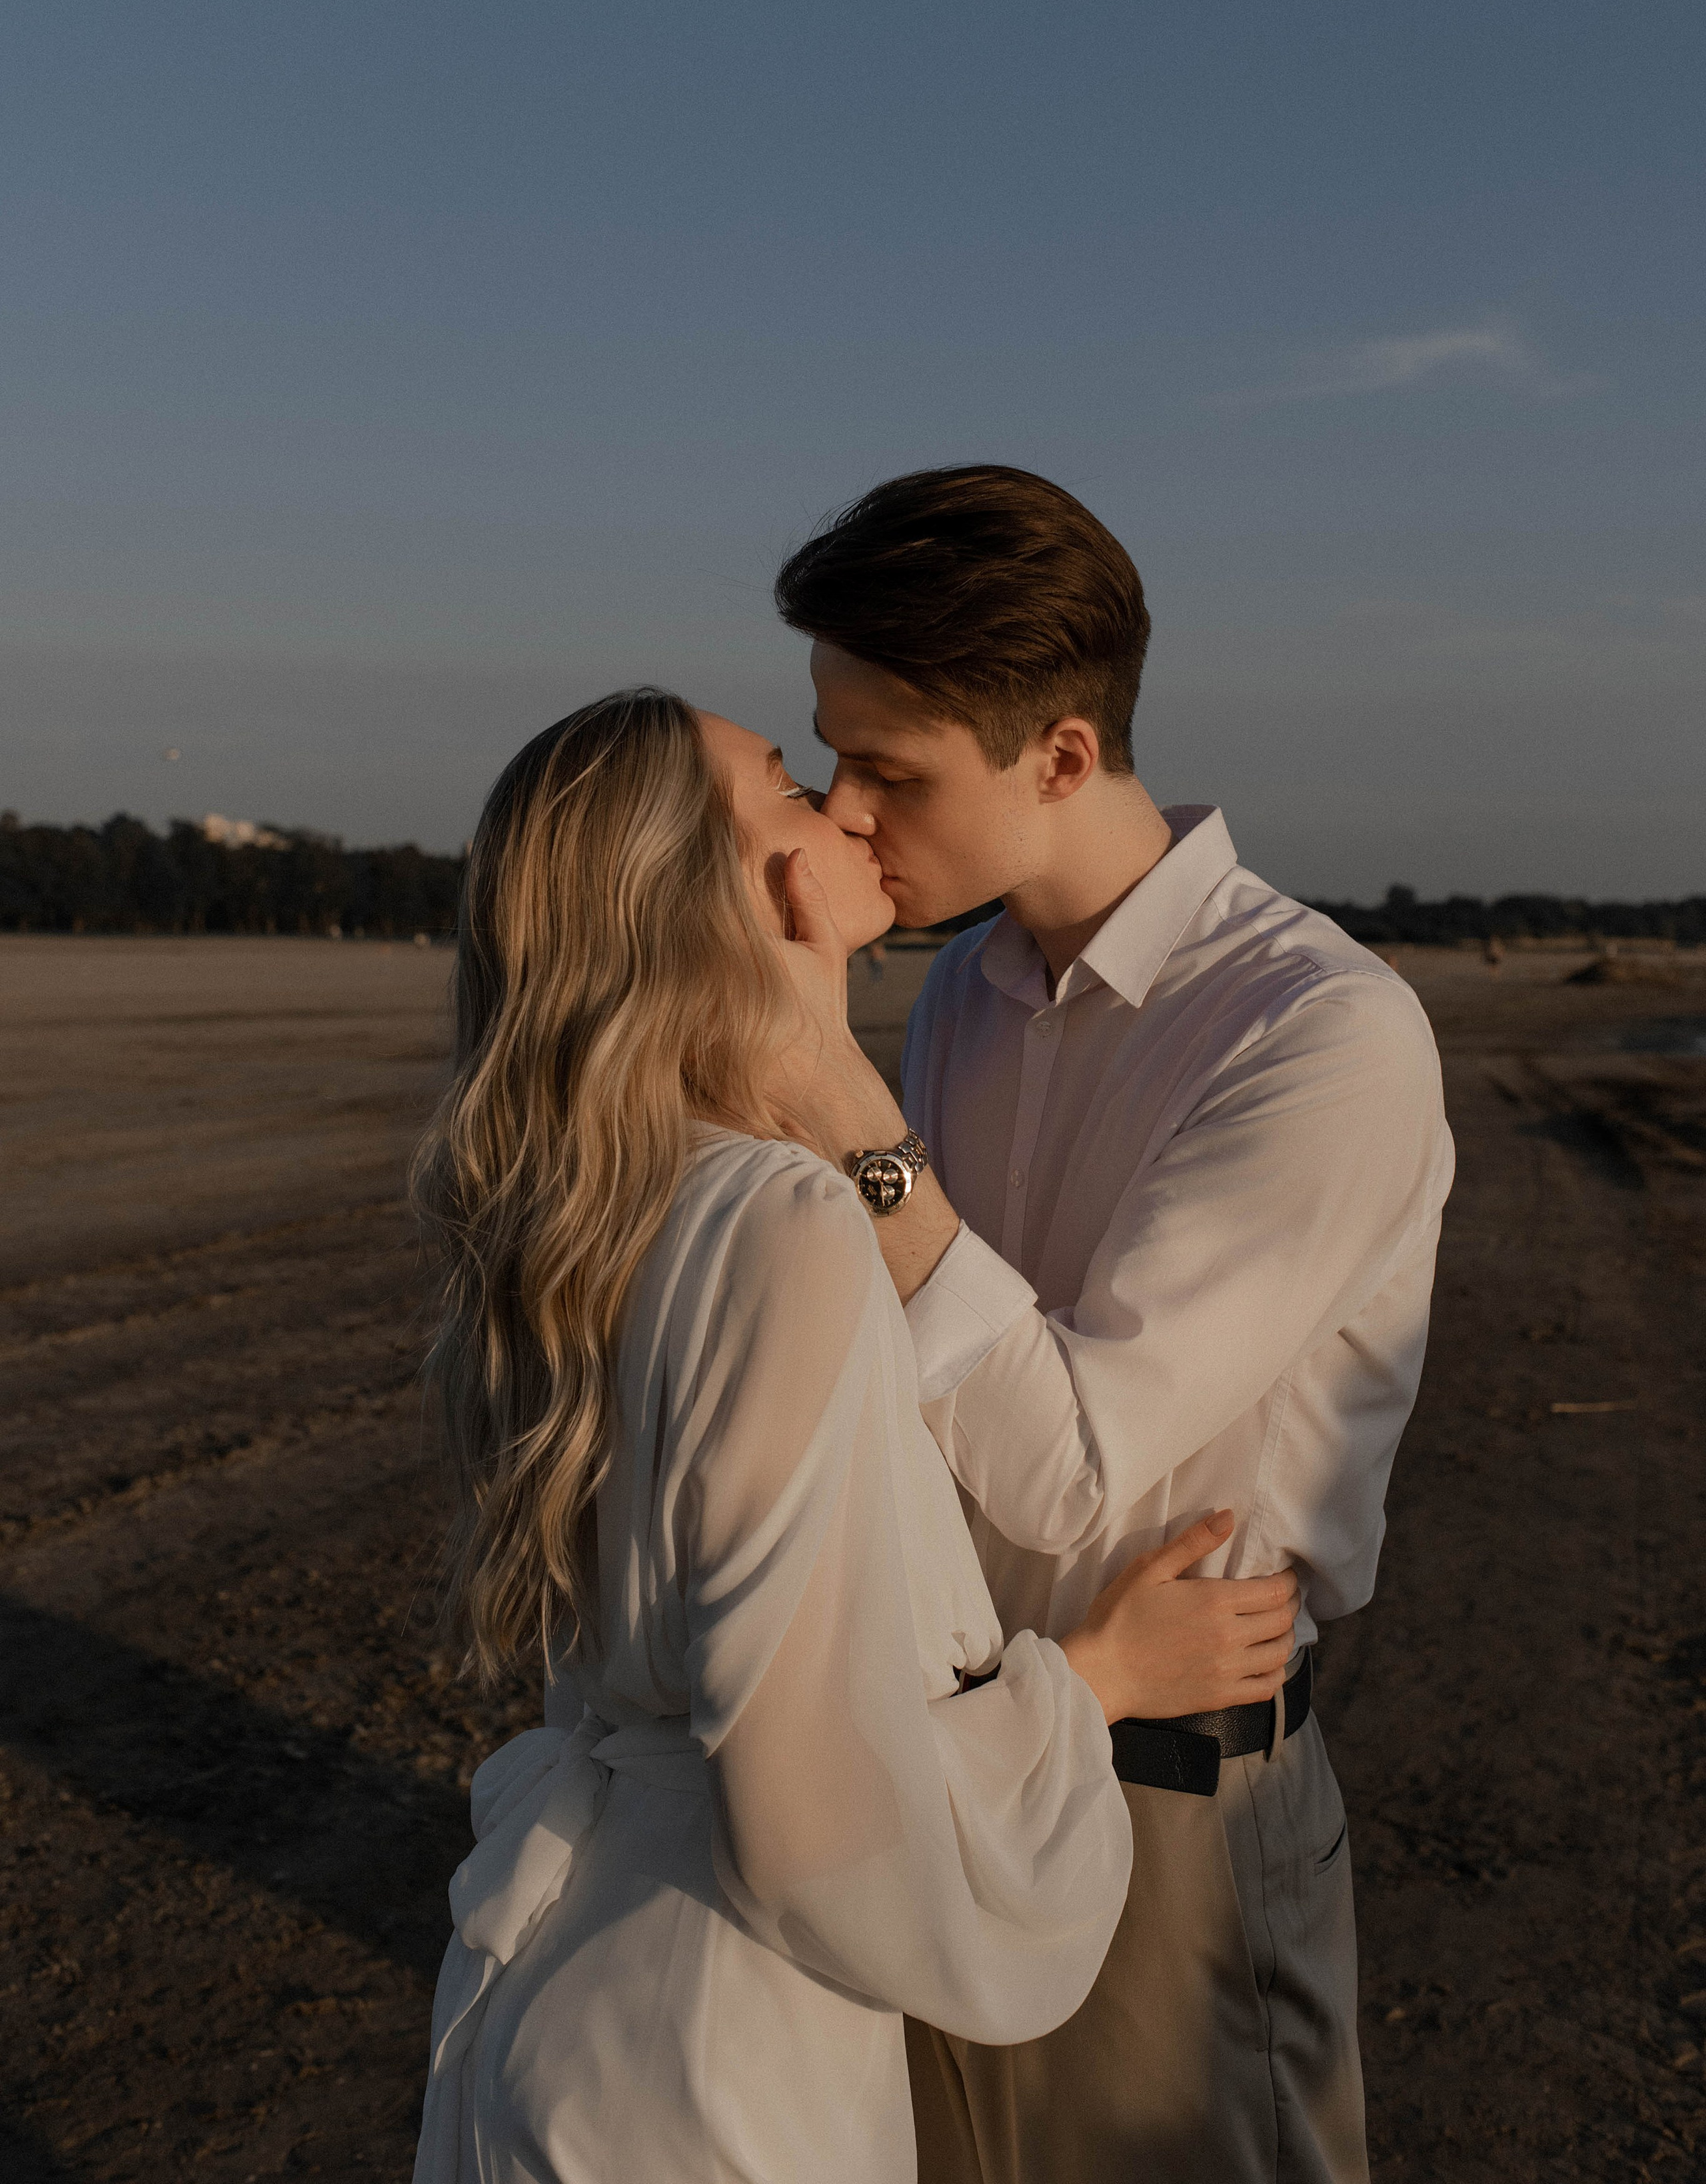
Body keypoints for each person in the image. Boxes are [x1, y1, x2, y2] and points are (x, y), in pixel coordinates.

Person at [409, 688, 1301, 2184]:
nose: (842, 804)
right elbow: (808, 1795)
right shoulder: (778, 1221)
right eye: (786, 786)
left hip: (569, 2005)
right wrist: (1085, 1685)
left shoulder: (604, 1200)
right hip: (717, 2071)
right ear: (758, 883)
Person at [770, 466, 1457, 2184]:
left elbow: (1068, 1470)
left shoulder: (1321, 1034)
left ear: (1061, 755)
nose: (844, 811)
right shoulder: (957, 994)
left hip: (1171, 1821)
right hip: (954, 1774)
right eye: (828, 753)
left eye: (892, 770)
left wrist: (839, 1114)